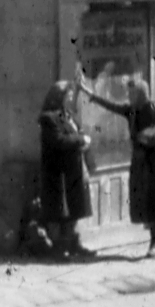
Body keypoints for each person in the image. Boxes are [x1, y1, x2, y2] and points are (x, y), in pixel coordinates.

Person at [79, 73, 155, 257]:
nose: (129, 97)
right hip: (141, 162)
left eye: (132, 94)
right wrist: (90, 94)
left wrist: (145, 135)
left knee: (154, 204)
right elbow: (112, 106)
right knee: (145, 204)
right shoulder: (131, 110)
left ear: (141, 94)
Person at [38, 80, 95, 259]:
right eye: (67, 94)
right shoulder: (49, 118)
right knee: (63, 211)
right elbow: (58, 140)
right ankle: (61, 247)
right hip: (59, 172)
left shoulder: (67, 115)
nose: (70, 97)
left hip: (74, 170)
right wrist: (81, 140)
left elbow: (75, 132)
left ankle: (73, 244)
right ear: (58, 96)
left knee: (75, 210)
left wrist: (83, 140)